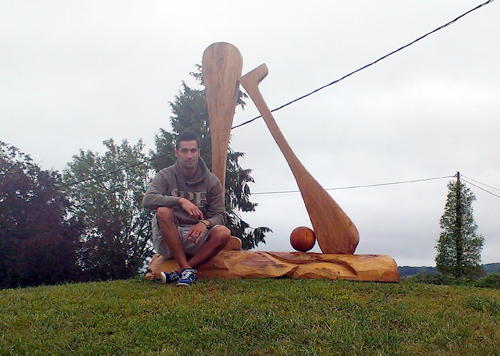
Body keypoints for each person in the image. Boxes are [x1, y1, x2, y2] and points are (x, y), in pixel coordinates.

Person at [142, 131, 231, 286]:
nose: (189, 155)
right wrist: (180, 201)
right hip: (169, 237)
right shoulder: (166, 175)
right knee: (163, 211)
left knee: (224, 232)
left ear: (198, 152)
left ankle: (180, 273)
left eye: (193, 150)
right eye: (184, 151)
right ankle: (185, 268)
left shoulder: (211, 181)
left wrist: (205, 223)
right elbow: (147, 200)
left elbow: (221, 215)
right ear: (177, 153)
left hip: (197, 237)